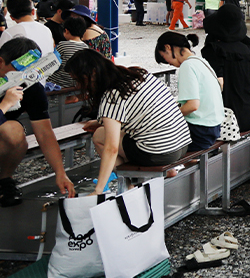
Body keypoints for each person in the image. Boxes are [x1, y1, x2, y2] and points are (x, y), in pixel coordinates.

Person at [68, 50, 192, 194]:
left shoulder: (112, 95)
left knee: (99, 136)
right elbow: (141, 112)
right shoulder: (138, 74)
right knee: (109, 132)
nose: (79, 86)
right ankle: (161, 172)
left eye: (79, 80)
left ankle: (131, 183)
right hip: (181, 144)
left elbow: (111, 148)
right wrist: (100, 122)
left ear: (92, 73)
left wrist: (98, 190)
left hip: (160, 153)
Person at [0, 37, 76, 207]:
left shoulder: (30, 86)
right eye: (18, 71)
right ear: (1, 62)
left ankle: (4, 180)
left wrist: (60, 172)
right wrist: (5, 104)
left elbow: (44, 133)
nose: (22, 77)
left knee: (14, 130)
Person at [155, 32, 224, 151]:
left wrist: (169, 116)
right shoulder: (201, 61)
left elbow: (192, 105)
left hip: (200, 131)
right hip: (214, 128)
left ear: (168, 47)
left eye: (163, 57)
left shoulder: (187, 66)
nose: (168, 63)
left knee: (152, 141)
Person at [202, 3, 250, 132]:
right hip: (246, 116)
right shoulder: (247, 48)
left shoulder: (214, 50)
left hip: (225, 121)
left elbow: (213, 86)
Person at [49, 16, 90, 89]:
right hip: (75, 84)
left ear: (66, 31)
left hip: (58, 84)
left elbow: (52, 63)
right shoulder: (86, 47)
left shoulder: (62, 45)